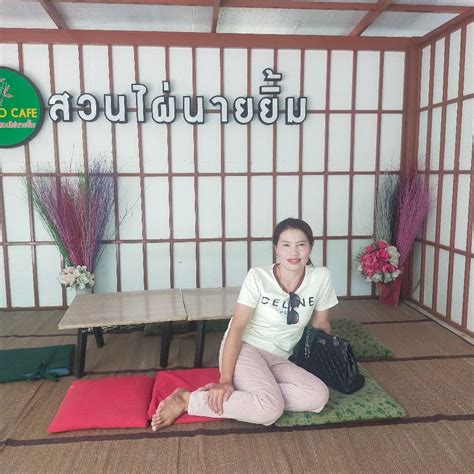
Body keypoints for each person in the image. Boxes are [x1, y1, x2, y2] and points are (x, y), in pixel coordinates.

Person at [151, 217, 338, 431]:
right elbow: (237, 327)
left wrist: (326, 360)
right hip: (245, 349)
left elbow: (321, 325)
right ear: (276, 248)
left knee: (318, 395)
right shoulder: (258, 277)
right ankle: (187, 400)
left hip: (280, 356)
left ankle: (258, 394)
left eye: (301, 245)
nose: (294, 252)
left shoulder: (320, 277)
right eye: (286, 245)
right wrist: (225, 379)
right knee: (270, 409)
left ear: (311, 247)